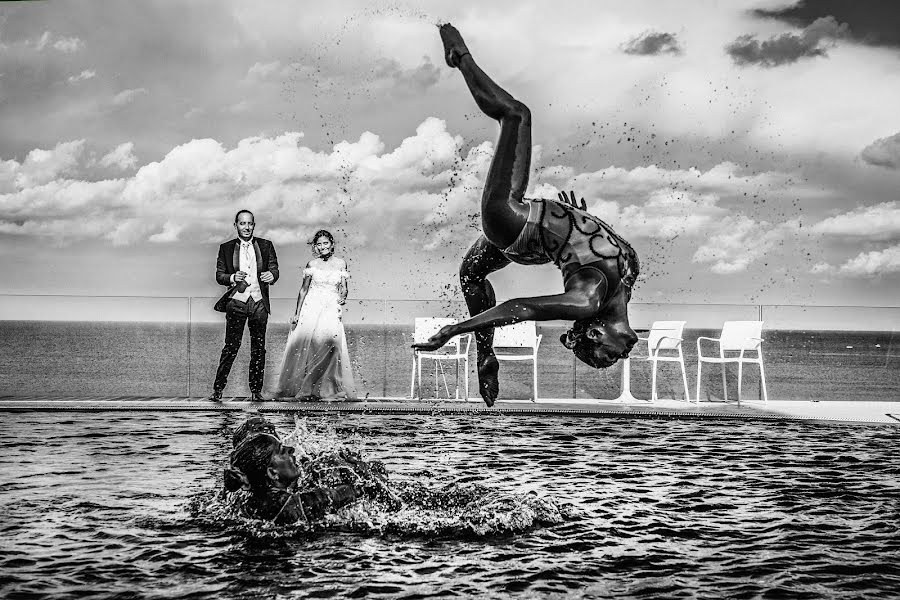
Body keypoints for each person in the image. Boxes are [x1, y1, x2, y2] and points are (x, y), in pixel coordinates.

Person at [413, 25, 640, 407]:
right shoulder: (629, 281)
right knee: (470, 273)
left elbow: (522, 307)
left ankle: (459, 57)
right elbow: (600, 246)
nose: (626, 356)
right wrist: (578, 221)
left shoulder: (587, 302)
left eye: (612, 357)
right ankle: (486, 355)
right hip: (536, 242)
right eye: (615, 360)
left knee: (516, 115)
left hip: (513, 221)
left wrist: (456, 329)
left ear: (597, 333)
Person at [222, 416, 398, 524]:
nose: (291, 449)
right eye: (282, 449)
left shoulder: (244, 494)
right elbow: (339, 495)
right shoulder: (288, 505)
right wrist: (365, 474)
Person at [273, 230, 356, 400]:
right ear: (315, 247)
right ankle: (307, 388)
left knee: (333, 346)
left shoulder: (341, 263)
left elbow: (344, 287)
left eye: (325, 243)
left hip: (331, 307)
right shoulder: (312, 264)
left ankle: (327, 388)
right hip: (312, 306)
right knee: (310, 346)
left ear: (332, 244)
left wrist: (343, 297)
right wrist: (296, 313)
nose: (322, 247)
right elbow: (303, 290)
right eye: (319, 244)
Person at [208, 210, 279, 403]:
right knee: (231, 347)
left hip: (258, 303)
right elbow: (219, 275)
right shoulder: (226, 248)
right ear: (236, 225)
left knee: (259, 348)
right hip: (236, 302)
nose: (246, 227)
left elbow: (274, 269)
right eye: (242, 223)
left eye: (250, 223)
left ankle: (256, 391)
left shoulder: (266, 245)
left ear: (254, 225)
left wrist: (272, 276)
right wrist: (231, 277)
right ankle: (218, 390)